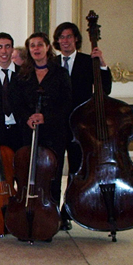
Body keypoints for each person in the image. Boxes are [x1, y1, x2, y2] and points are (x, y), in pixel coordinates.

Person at [10, 32, 72, 233]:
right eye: (32, 46)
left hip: (54, 131)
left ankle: (51, 217)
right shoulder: (22, 75)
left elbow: (66, 104)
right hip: (29, 130)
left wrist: (46, 117)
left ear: (47, 47)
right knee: (29, 173)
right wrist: (28, 117)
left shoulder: (60, 74)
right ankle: (28, 213)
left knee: (52, 174)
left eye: (39, 45)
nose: (36, 49)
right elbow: (16, 102)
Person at [53, 22, 112, 229]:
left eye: (69, 37)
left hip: (81, 125)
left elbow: (105, 89)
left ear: (76, 39)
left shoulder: (89, 61)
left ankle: (68, 211)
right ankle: (51, 211)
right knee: (54, 168)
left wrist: (102, 64)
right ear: (57, 41)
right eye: (61, 37)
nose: (65, 41)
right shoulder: (51, 62)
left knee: (77, 170)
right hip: (57, 125)